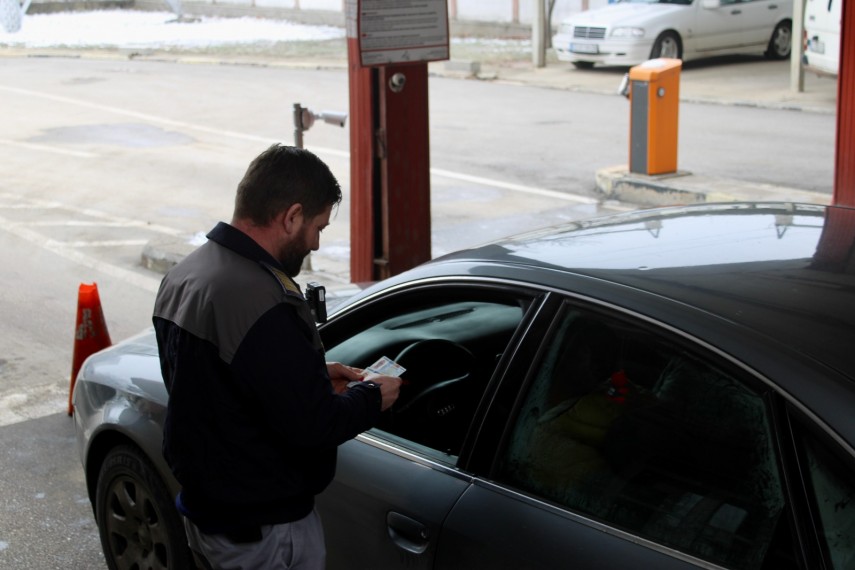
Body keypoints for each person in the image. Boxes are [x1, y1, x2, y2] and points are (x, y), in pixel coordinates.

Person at [152, 143, 402, 570]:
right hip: (264, 531)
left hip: (210, 512)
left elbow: (214, 381)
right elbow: (314, 425)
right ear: (291, 216)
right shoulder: (262, 300)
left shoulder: (186, 274)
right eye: (318, 227)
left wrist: (310, 373)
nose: (318, 245)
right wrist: (374, 397)